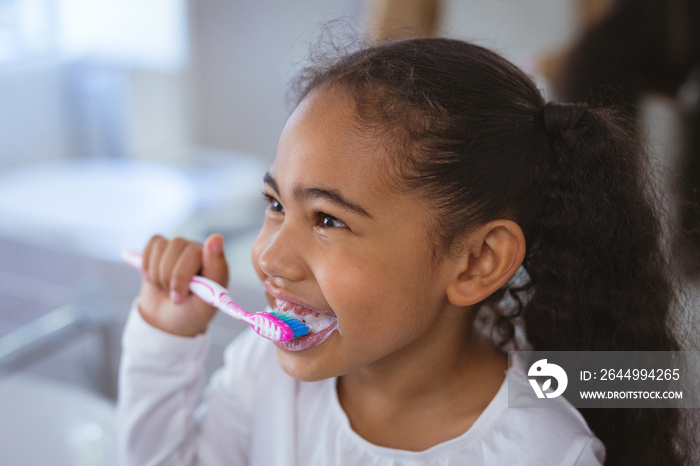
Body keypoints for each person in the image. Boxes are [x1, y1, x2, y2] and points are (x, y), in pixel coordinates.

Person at [117, 37, 694, 465]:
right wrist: (166, 339)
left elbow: (644, 384)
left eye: (326, 219)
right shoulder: (263, 371)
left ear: (476, 262)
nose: (269, 258)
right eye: (274, 204)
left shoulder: (543, 452)